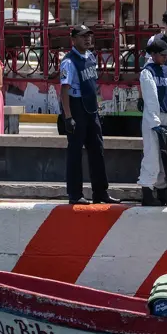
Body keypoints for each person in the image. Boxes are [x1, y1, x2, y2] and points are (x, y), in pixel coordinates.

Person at [60, 25, 120, 206]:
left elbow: (93, 85)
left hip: (92, 109)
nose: (87, 39)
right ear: (73, 39)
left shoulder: (91, 57)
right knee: (75, 153)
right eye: (83, 36)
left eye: (89, 36)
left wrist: (98, 106)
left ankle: (100, 192)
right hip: (76, 108)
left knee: (97, 151)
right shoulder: (69, 62)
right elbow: (64, 90)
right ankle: (75, 194)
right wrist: (68, 117)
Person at [138, 38, 167, 206]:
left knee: (166, 159)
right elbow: (151, 99)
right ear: (154, 54)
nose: (165, 57)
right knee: (152, 157)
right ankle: (147, 192)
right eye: (163, 55)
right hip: (154, 120)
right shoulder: (147, 72)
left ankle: (163, 191)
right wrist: (155, 123)